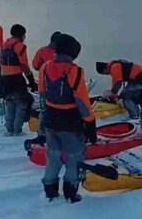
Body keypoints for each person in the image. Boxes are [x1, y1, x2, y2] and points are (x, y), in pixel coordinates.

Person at [38, 33, 96, 204]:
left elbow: (42, 92)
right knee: (74, 157)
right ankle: (71, 194)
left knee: (53, 156)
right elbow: (82, 102)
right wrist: (91, 125)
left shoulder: (44, 67)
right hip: (70, 121)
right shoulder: (74, 71)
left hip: (50, 118)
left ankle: (50, 191)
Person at [26, 31, 63, 147]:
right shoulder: (63, 53)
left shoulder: (42, 51)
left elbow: (35, 66)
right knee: (60, 110)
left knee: (44, 111)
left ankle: (42, 134)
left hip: (44, 86)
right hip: (60, 88)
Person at [0, 24, 36, 135]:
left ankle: (9, 129)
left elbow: (0, 62)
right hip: (16, 79)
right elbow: (24, 64)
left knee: (10, 103)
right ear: (22, 35)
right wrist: (31, 80)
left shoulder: (4, 45)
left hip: (4, 78)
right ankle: (17, 131)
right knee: (22, 104)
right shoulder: (20, 46)